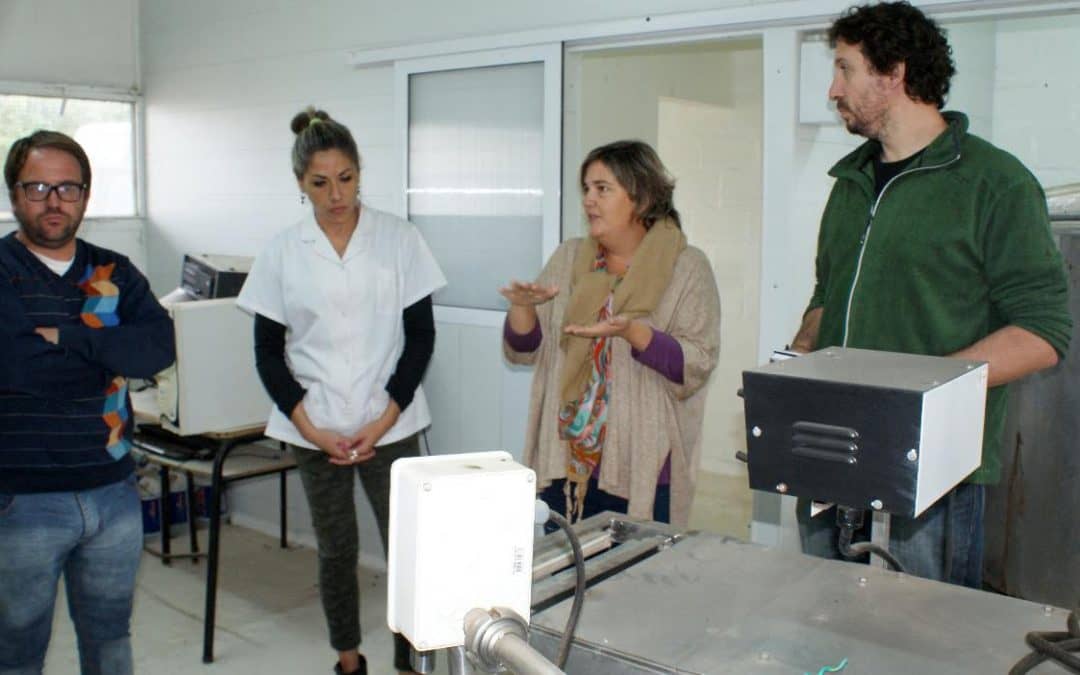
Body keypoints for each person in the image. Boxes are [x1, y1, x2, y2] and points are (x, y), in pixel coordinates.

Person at [790, 2, 1072, 587]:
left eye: (844, 69)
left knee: (917, 643)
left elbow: (1043, 333)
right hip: (829, 453)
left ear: (892, 74)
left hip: (931, 474)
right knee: (818, 622)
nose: (831, 89)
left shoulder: (994, 182)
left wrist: (921, 391)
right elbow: (827, 296)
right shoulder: (849, 184)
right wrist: (794, 370)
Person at [237, 107, 445, 675]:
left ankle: (410, 660)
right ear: (300, 184)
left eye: (347, 179)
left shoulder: (398, 238)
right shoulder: (283, 249)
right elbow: (267, 350)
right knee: (337, 550)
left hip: (392, 423)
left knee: (407, 548)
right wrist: (310, 427)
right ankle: (349, 660)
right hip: (314, 423)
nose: (336, 195)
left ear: (360, 173)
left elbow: (420, 337)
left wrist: (383, 418)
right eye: (320, 183)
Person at [0, 131, 175, 674]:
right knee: (17, 649)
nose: (54, 201)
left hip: (113, 492)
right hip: (22, 500)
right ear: (14, 194)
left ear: (85, 195)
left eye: (68, 188)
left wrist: (65, 337)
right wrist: (109, 353)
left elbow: (158, 348)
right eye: (38, 187)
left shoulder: (114, 270)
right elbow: (21, 367)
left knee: (109, 638)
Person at [502, 140, 721, 528]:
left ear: (642, 196)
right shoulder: (569, 258)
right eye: (586, 189)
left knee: (634, 580)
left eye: (602, 189)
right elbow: (526, 348)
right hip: (566, 455)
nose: (589, 200)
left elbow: (697, 363)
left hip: (643, 463)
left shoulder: (686, 267)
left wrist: (634, 333)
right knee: (566, 574)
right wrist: (522, 307)